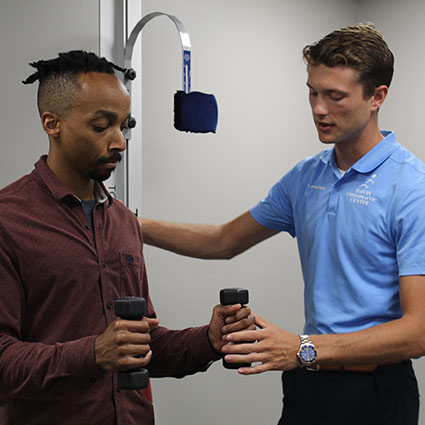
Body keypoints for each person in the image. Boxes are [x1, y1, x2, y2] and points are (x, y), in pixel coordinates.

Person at [140, 24, 425, 425]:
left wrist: (301, 348)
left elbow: (418, 331)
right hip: (307, 382)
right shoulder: (305, 177)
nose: (318, 109)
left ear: (377, 96)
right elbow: (223, 240)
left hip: (375, 391)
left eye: (335, 96)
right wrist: (129, 223)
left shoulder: (413, 188)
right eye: (312, 91)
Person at [0, 50, 253, 425]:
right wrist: (92, 354)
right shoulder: (9, 220)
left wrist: (208, 340)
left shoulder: (123, 223)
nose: (119, 141)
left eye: (124, 125)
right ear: (52, 123)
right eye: (101, 126)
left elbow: (142, 345)